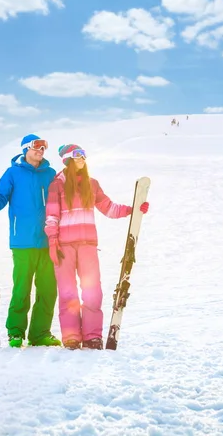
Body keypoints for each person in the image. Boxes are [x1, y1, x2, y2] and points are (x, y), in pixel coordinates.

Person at [45, 143, 149, 350]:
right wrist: (52, 241)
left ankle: (92, 336)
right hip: (63, 246)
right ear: (67, 160)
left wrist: (133, 210)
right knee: (68, 293)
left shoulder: (92, 184)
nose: (82, 160)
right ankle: (72, 336)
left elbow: (109, 208)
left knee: (92, 291)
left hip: (88, 245)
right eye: (77, 156)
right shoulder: (56, 185)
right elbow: (51, 216)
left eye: (83, 156)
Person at [0, 134, 60, 348]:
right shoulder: (13, 173)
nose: (41, 150)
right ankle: (16, 332)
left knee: (48, 289)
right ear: (25, 149)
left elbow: (61, 202)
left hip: (50, 241)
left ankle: (40, 334)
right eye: (36, 147)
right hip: (22, 241)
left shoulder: (51, 174)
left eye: (43, 147)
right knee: (22, 288)